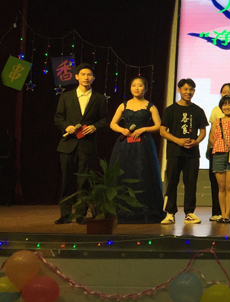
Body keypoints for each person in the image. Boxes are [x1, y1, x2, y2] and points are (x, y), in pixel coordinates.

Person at [54, 62, 110, 224]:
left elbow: (105, 119)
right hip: (68, 144)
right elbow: (58, 117)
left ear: (93, 78)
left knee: (84, 181)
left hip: (87, 145)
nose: (86, 77)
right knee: (66, 180)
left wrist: (94, 126)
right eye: (83, 74)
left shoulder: (99, 98)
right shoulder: (66, 97)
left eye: (89, 75)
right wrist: (67, 126)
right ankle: (65, 215)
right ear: (77, 76)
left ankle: (80, 215)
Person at [108, 77, 165, 224]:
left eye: (140, 86)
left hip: (144, 145)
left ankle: (144, 211)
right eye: (134, 85)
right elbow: (113, 124)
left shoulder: (150, 106)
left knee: (143, 173)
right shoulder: (124, 105)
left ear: (146, 89)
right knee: (124, 174)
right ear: (130, 88)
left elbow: (158, 126)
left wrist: (144, 129)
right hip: (125, 144)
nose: (137, 88)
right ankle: (121, 210)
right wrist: (122, 130)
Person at [160, 79, 208, 225]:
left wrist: (196, 141)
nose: (188, 92)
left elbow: (203, 131)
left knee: (191, 183)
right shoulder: (170, 110)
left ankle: (189, 212)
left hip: (192, 153)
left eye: (191, 89)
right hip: (174, 152)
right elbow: (163, 131)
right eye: (185, 89)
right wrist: (178, 141)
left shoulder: (198, 110)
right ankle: (170, 213)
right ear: (179, 90)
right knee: (172, 182)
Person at [207, 83, 230, 222]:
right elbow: (211, 137)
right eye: (224, 104)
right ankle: (222, 214)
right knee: (221, 187)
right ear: (221, 107)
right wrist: (218, 144)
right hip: (218, 155)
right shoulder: (217, 121)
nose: (227, 107)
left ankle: (227, 215)